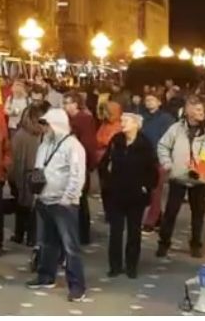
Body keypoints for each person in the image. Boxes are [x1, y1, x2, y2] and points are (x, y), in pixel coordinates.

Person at [27, 105, 87, 300]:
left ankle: (77, 286)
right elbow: (39, 166)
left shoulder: (73, 146)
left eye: (47, 124)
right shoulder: (45, 142)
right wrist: (36, 192)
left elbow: (77, 174)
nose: (44, 128)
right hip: (44, 199)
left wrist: (68, 198)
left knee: (70, 246)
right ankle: (45, 276)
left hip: (63, 202)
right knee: (47, 242)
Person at [155, 95, 205, 258]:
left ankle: (196, 244)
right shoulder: (176, 129)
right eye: (197, 109)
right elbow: (163, 146)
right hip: (179, 176)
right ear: (188, 111)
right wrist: (168, 164)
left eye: (202, 109)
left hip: (199, 179)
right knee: (171, 212)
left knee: (198, 214)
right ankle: (164, 243)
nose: (201, 112)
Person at [98, 111, 157, 279]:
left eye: (126, 121)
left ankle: (132, 266)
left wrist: (146, 187)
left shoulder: (145, 144)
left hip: (136, 195)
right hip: (116, 192)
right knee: (115, 231)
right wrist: (107, 182)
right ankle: (115, 266)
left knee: (134, 231)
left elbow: (152, 170)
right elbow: (104, 163)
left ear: (136, 124)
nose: (122, 123)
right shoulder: (116, 141)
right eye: (122, 120)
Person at [61, 92, 97, 245]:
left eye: (70, 103)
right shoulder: (67, 119)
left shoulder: (84, 119)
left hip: (79, 163)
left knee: (80, 200)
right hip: (67, 164)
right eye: (65, 103)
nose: (67, 106)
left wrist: (87, 164)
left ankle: (82, 234)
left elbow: (88, 144)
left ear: (77, 104)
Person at [10, 100, 46, 247]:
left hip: (23, 174)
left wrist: (13, 178)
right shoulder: (43, 135)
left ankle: (19, 234)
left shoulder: (20, 135)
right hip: (38, 173)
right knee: (35, 207)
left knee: (22, 204)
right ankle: (33, 237)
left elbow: (15, 159)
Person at [139, 93, 174, 232]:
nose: (149, 102)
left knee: (156, 189)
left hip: (158, 157)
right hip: (144, 157)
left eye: (152, 99)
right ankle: (158, 216)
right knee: (147, 189)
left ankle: (151, 220)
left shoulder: (166, 119)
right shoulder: (143, 117)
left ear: (159, 102)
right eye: (147, 100)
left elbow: (170, 138)